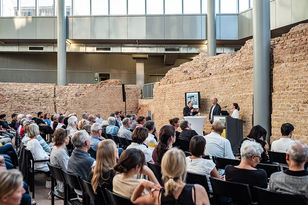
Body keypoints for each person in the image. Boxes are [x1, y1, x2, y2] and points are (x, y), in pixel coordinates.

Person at [131, 148, 210, 205]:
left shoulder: (156, 195)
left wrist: (142, 184)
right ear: (183, 168)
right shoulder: (198, 191)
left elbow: (134, 200)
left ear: (164, 168)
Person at [50, 128, 70, 195]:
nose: (69, 138)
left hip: (60, 180)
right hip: (64, 184)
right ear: (64, 139)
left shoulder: (55, 148)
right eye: (67, 137)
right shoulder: (60, 152)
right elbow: (67, 169)